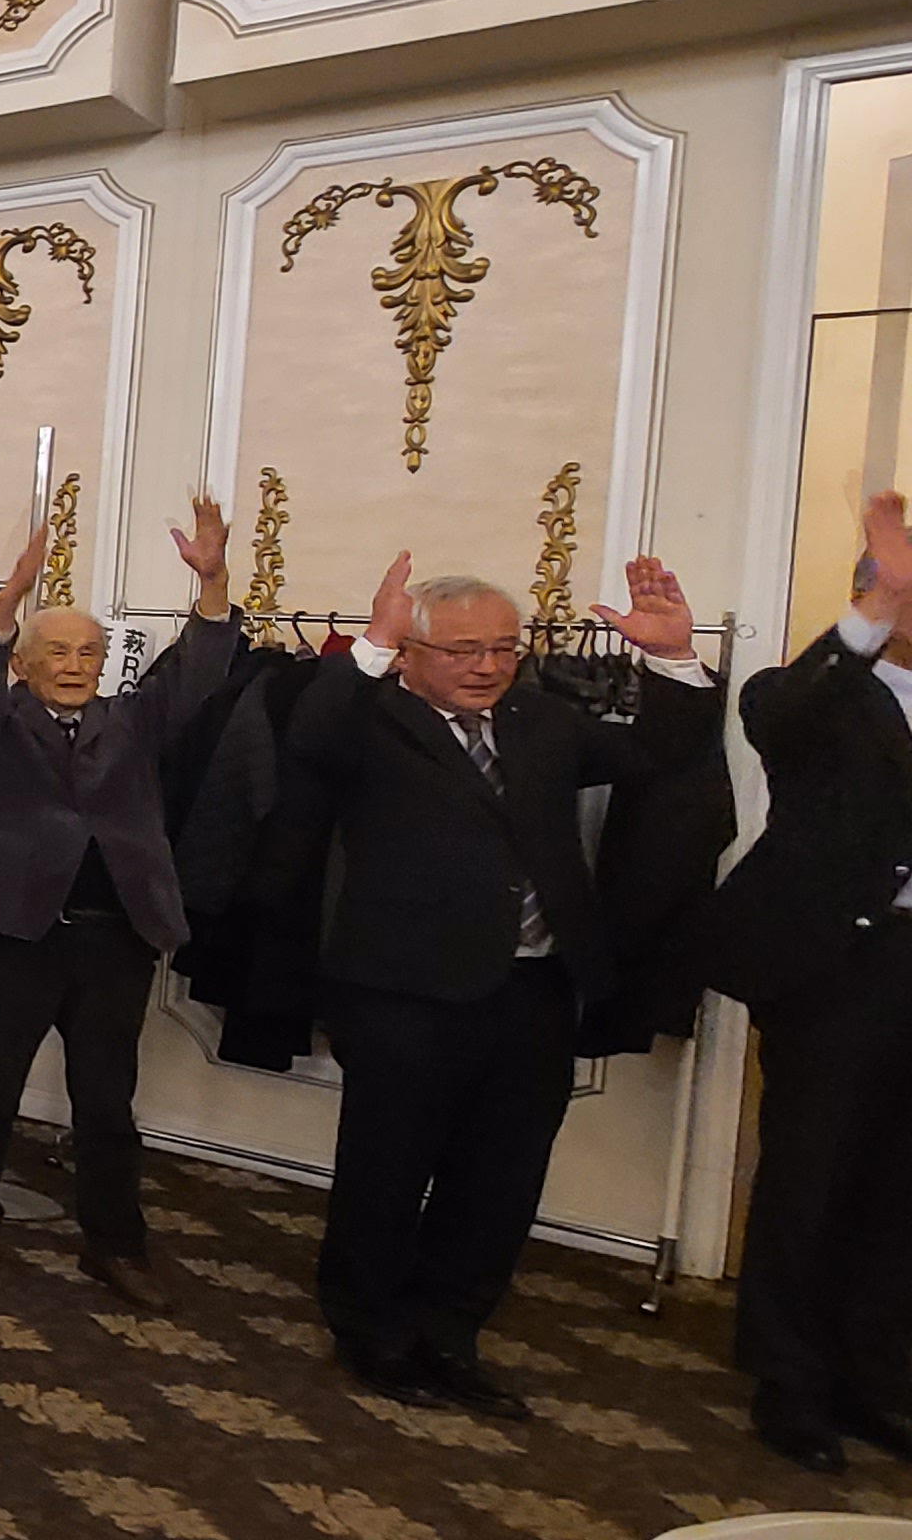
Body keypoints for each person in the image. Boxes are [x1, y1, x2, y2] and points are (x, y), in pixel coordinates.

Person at [257, 548, 718, 1417]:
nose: (488, 666)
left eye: (505, 648)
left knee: (501, 1179)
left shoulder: (541, 720)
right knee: (387, 1171)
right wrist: (371, 640)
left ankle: (451, 1331)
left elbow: (659, 754)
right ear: (412, 654)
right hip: (404, 991)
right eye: (463, 650)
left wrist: (671, 659)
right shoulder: (370, 719)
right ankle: (371, 1330)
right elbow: (311, 741)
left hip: (534, 989)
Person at [0, 493, 242, 1299]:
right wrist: (7, 601)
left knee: (106, 1104)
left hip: (114, 941)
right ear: (25, 665)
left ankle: (116, 1244)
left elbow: (201, 673)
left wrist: (212, 584)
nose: (74, 665)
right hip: (15, 936)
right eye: (58, 652)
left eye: (89, 653)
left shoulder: (132, 722)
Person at [700, 489, 912, 1474]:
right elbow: (779, 719)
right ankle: (789, 1382)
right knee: (811, 1174)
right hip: (839, 967)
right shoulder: (813, 692)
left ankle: (870, 1378)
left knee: (897, 1185)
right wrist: (874, 613)